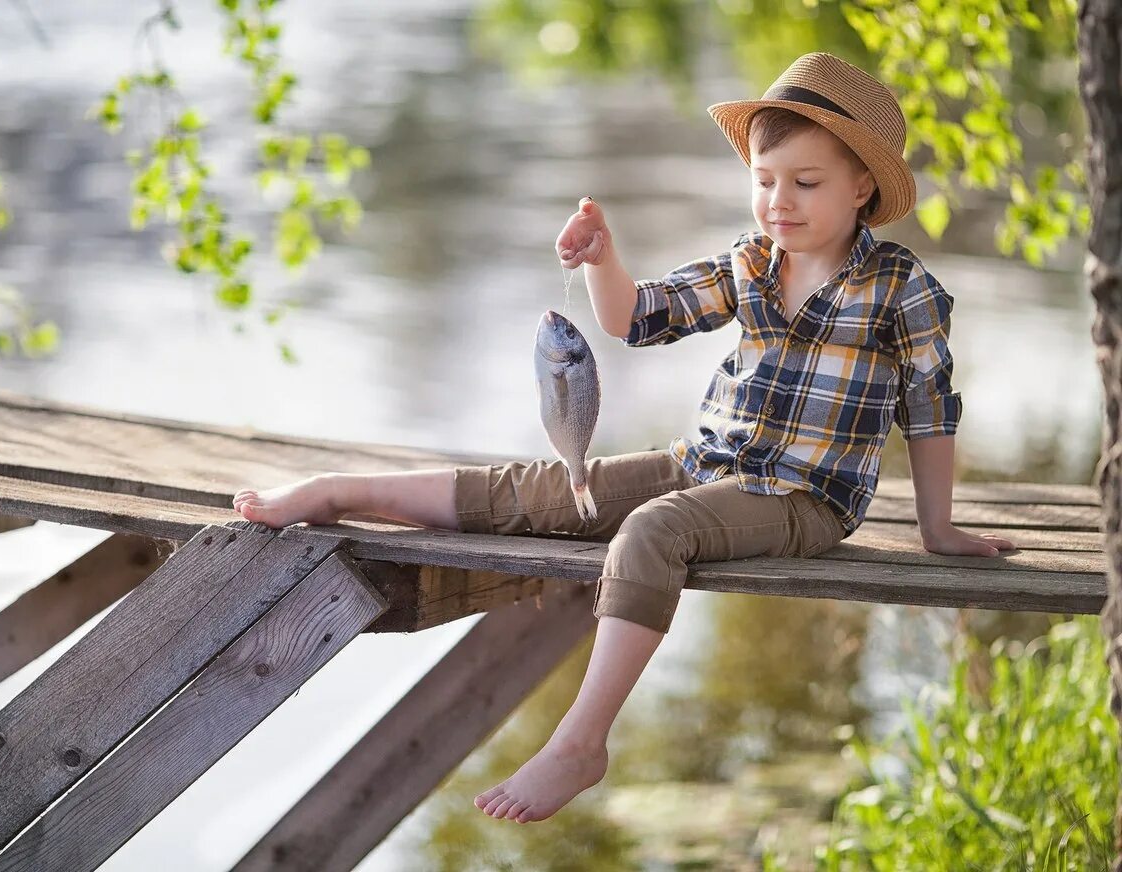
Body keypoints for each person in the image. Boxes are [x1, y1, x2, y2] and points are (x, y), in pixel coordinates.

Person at [232, 51, 1017, 825]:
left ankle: (580, 742)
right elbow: (635, 317)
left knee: (651, 531)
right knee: (541, 489)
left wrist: (937, 527)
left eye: (805, 184)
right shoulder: (749, 261)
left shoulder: (902, 287)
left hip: (803, 499)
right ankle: (342, 491)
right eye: (765, 180)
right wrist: (603, 258)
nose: (779, 202)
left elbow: (930, 408)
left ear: (862, 187)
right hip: (703, 465)